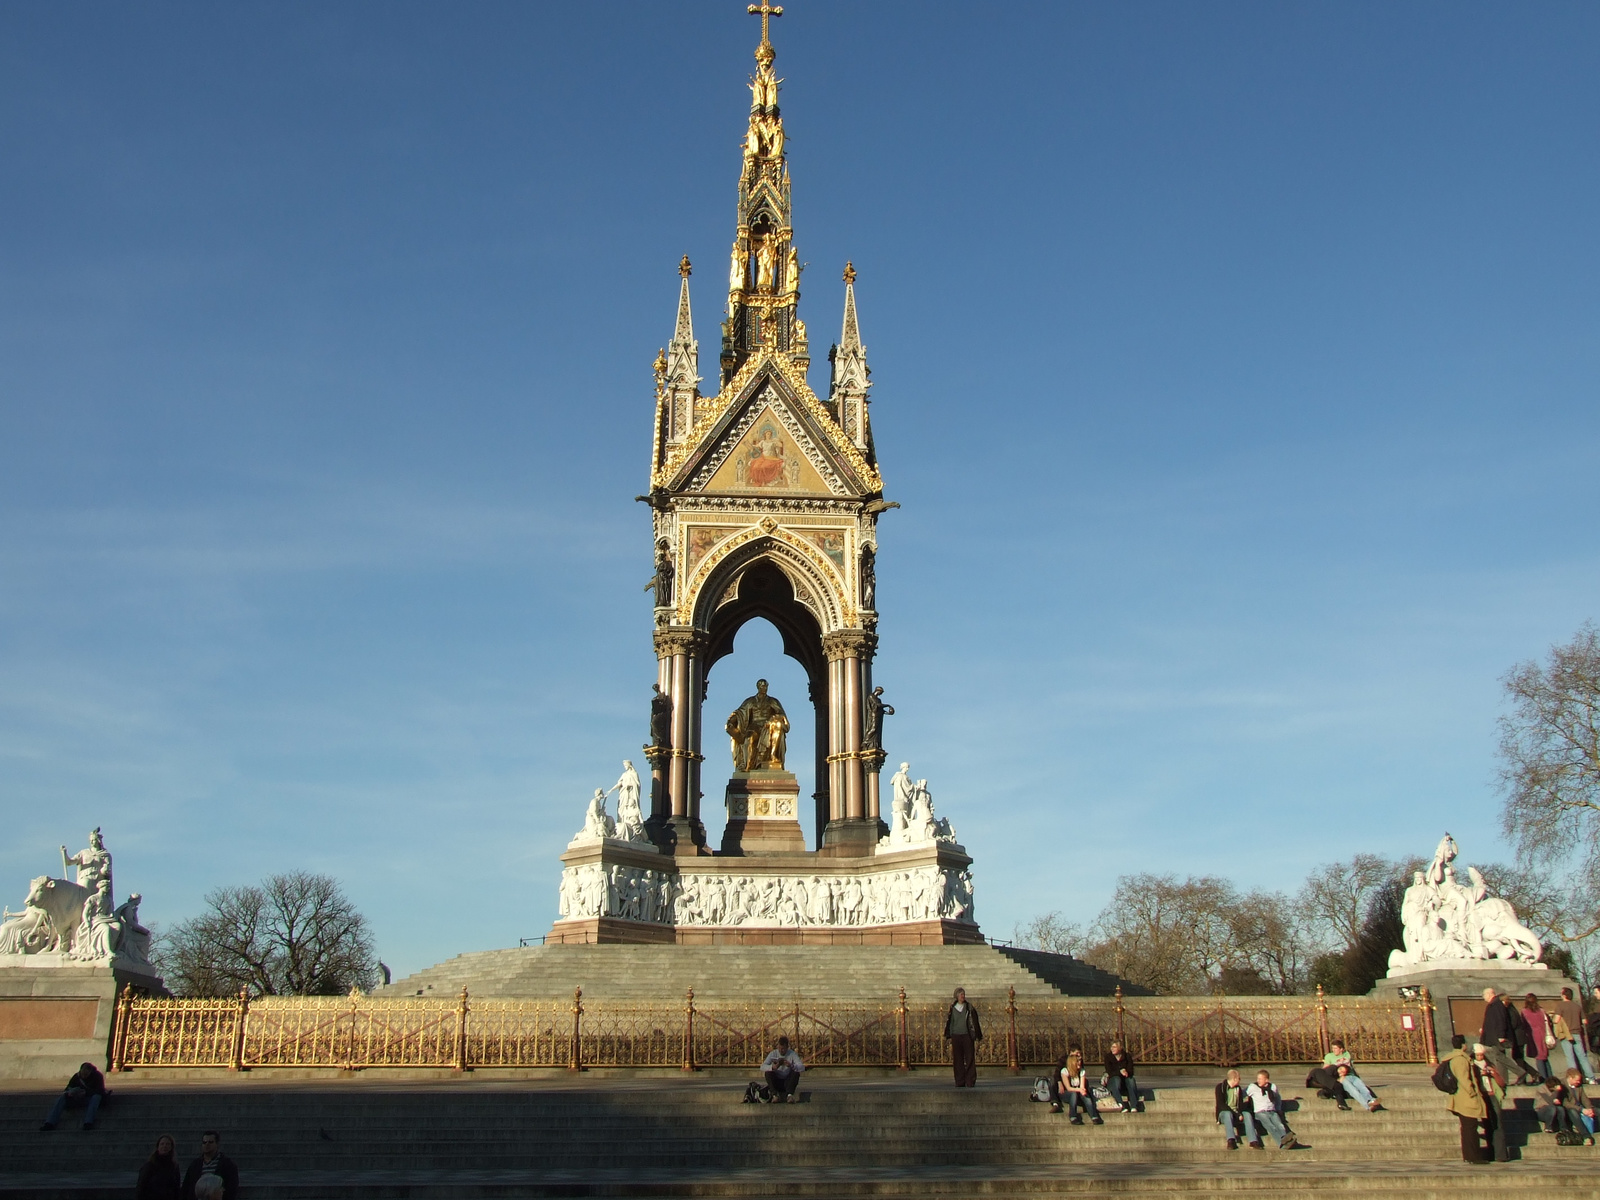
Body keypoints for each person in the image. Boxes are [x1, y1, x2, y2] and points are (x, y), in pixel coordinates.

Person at [1445, 1035, 1491, 1163]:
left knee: (1467, 1127)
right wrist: (1472, 1093)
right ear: (1463, 1045)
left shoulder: (1454, 1058)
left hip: (1460, 1097)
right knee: (1470, 1128)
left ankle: (1469, 1155)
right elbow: (1464, 1079)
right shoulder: (1460, 1060)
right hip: (1465, 1098)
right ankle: (1474, 1156)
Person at [1478, 988, 1536, 1086]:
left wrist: (1501, 1035)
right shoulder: (1494, 1005)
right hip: (1494, 1036)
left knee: (1499, 1056)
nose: (1483, 998)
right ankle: (1503, 1081)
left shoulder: (1496, 1005)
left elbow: (1501, 1021)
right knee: (1499, 1058)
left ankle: (1520, 1072)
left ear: (1489, 994)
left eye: (1484, 995)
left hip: (1496, 1036)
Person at [1470, 1040, 1510, 1162]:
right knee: (1487, 1125)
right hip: (1482, 1096)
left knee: (1497, 1124)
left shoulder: (1490, 1064)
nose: (1480, 1057)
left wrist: (1492, 1073)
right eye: (1478, 1055)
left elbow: (1502, 1082)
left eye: (1482, 1055)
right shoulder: (1471, 1065)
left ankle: (1501, 1154)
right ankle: (1490, 1152)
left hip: (1492, 1095)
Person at [39, 1061, 107, 1130]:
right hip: (77, 1098)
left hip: (89, 1099)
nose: (83, 1076)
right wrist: (70, 1093)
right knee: (62, 1098)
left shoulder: (98, 1076)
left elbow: (100, 1091)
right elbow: (67, 1088)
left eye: (86, 1075)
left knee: (96, 1097)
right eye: (82, 1074)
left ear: (90, 1072)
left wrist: (86, 1093)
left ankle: (88, 1122)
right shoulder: (77, 1076)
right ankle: (50, 1123)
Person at [1320, 1041, 1382, 1112]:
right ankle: (1368, 1106)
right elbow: (1325, 1070)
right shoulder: (1329, 1056)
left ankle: (1372, 1101)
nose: (1333, 1050)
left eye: (1335, 1048)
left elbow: (1351, 1067)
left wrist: (1358, 1077)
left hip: (1352, 1076)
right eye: (1332, 1048)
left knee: (1364, 1088)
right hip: (1342, 1078)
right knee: (1354, 1091)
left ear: (1341, 1049)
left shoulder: (1347, 1054)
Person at [1242, 1069, 1297, 1149]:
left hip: (1272, 1111)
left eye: (1260, 1079)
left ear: (1266, 1080)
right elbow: (1242, 1094)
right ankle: (1281, 1144)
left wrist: (1278, 1108)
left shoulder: (1273, 1087)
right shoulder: (1253, 1087)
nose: (1258, 1080)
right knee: (1271, 1126)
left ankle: (1286, 1140)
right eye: (1258, 1078)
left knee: (1280, 1125)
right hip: (1260, 1112)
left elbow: (1277, 1098)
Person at [1553, 988, 1595, 1084]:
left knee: (1570, 1057)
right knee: (1582, 1057)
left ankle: (1574, 1078)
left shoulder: (1560, 1006)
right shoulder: (1577, 1006)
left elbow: (1556, 1020)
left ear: (1564, 995)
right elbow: (1585, 1021)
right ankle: (1591, 1077)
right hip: (1577, 1033)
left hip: (1566, 1034)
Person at [181, 1131, 239, 1200]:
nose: (207, 1145)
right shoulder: (195, 1165)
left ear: (217, 1144)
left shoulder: (228, 1165)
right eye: (204, 1142)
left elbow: (232, 1189)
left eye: (210, 1142)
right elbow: (186, 1187)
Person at [943, 987, 982, 1088]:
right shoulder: (953, 1008)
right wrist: (949, 1034)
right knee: (958, 1059)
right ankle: (959, 1080)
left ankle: (970, 1080)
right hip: (956, 1035)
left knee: (969, 1058)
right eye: (961, 994)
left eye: (963, 994)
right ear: (957, 996)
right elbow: (951, 1022)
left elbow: (974, 1021)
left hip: (967, 1035)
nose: (962, 996)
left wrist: (976, 1034)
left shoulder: (969, 1007)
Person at [1214, 1068, 1256, 1150]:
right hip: (1224, 1113)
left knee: (1247, 1114)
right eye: (1239, 1078)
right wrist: (1236, 1114)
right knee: (1227, 1113)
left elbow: (1240, 1104)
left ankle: (1253, 1141)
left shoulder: (1238, 1089)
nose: (1240, 1080)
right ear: (1234, 1079)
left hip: (1236, 1112)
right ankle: (1231, 1140)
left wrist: (1240, 1113)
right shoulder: (1220, 1087)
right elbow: (1221, 1104)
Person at [1059, 1048, 1102, 1125]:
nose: (1079, 1064)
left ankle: (1094, 1116)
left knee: (1085, 1095)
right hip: (1067, 1093)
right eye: (1077, 1062)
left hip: (1078, 1092)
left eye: (1079, 1062)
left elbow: (1082, 1086)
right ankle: (1073, 1116)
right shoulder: (1064, 1071)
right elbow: (1068, 1088)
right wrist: (1080, 1090)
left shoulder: (1082, 1071)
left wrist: (1082, 1090)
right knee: (1073, 1094)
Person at [1521, 993, 1557, 1081]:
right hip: (1543, 1034)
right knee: (1544, 1057)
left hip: (1533, 1035)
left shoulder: (1524, 1011)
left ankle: (1544, 1078)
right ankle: (1550, 1077)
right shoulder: (1541, 1010)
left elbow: (1524, 1025)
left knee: (1539, 1057)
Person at [137, 1134, 182, 1200]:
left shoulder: (174, 1167)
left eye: (167, 1144)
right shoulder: (149, 1166)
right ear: (157, 1147)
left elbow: (177, 1188)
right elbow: (140, 1188)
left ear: (171, 1147)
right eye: (162, 1144)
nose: (164, 1146)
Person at [760, 1035, 804, 1103]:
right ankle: (775, 1095)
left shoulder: (792, 1054)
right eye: (779, 1048)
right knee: (768, 1073)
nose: (781, 1050)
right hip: (777, 1081)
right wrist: (772, 1067)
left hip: (787, 1082)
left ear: (787, 1048)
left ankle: (789, 1095)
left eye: (783, 1049)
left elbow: (801, 1067)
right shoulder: (773, 1053)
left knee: (796, 1073)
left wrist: (791, 1066)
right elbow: (762, 1066)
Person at [1103, 1040, 1142, 1112]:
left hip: (1125, 1082)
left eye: (1114, 1047)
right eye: (1111, 1047)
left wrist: (1126, 1072)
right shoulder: (1108, 1057)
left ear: (1120, 1048)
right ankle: (1121, 1104)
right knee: (1116, 1079)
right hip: (1114, 1081)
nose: (1112, 1049)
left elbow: (1131, 1071)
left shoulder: (1127, 1056)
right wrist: (1120, 1071)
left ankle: (1134, 1105)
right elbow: (1110, 1072)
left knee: (1131, 1079)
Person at [1559, 1067, 1596, 1143]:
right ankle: (1586, 1136)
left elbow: (1584, 1099)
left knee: (1597, 1111)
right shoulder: (1562, 1085)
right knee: (1573, 1112)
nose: (1579, 1082)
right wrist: (1581, 1109)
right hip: (1569, 1110)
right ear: (1570, 1078)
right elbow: (1565, 1103)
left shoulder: (1579, 1086)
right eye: (1577, 1080)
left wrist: (1590, 1109)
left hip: (1580, 1108)